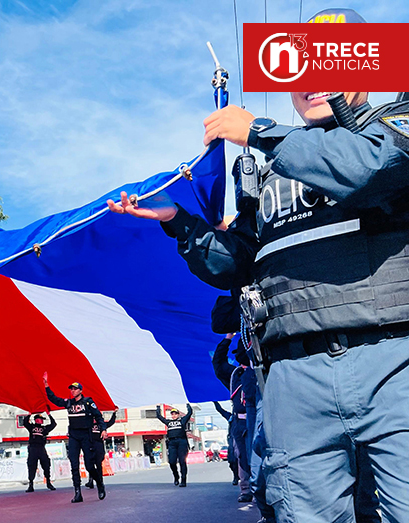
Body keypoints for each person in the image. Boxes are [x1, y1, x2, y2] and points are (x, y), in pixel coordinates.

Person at [106, 8, 409, 519]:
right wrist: (177, 221)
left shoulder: (395, 126)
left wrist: (261, 132)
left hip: (393, 363)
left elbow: (369, 169)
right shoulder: (271, 170)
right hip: (292, 376)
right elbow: (235, 266)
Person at [44, 371, 106, 502]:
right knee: (74, 465)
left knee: (89, 465)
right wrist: (46, 386)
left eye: (75, 388)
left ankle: (100, 484)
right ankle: (77, 493)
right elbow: (54, 399)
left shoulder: (88, 402)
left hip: (86, 436)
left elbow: (98, 416)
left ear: (80, 390)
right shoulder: (69, 403)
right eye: (71, 389)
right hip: (73, 436)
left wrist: (103, 430)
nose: (72, 391)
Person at [211, 334, 252, 501]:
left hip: (262, 419)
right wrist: (228, 338)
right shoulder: (235, 374)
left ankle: (265, 493)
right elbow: (218, 363)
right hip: (240, 423)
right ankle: (246, 490)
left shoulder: (263, 368)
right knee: (243, 458)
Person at [156, 404, 192, 487]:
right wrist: (158, 407)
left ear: (178, 414)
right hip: (172, 443)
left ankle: (183, 480)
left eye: (175, 413)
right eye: (172, 414)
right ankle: (176, 477)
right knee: (172, 462)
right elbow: (159, 416)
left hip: (181, 442)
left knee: (182, 461)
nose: (174, 415)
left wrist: (188, 404)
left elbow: (189, 413)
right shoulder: (168, 422)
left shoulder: (182, 421)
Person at [20, 413, 57, 492]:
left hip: (41, 448)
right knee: (31, 465)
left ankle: (48, 482)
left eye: (42, 420)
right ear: (36, 420)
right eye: (40, 420)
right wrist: (29, 414)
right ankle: (31, 484)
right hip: (33, 448)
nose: (41, 421)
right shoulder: (31, 427)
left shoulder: (44, 428)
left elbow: (53, 424)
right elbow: (25, 422)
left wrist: (49, 414)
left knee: (46, 464)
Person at [85, 409, 116, 490]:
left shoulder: (102, 425)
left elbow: (111, 422)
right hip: (90, 445)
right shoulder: (88, 425)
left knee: (98, 464)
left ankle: (100, 481)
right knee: (90, 464)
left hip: (99, 445)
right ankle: (90, 481)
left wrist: (114, 413)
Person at [212, 401, 241, 487]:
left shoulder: (243, 414)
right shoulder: (230, 417)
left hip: (242, 439)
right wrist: (214, 401)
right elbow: (220, 410)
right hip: (232, 440)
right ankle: (236, 476)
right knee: (232, 460)